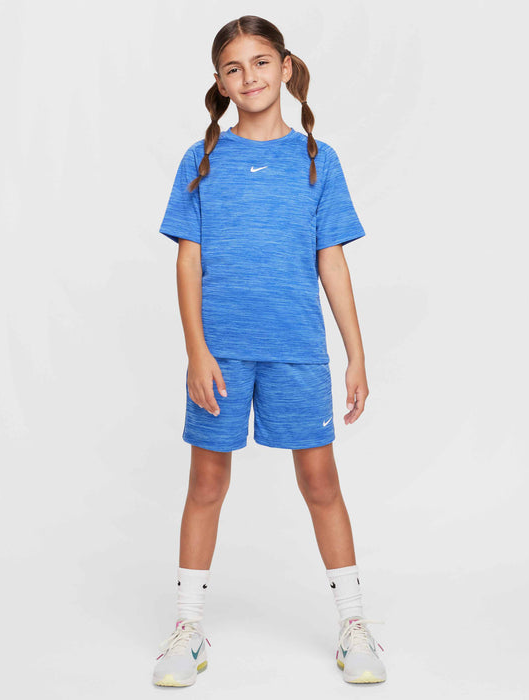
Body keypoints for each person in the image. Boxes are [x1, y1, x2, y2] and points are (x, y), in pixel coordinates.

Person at [152, 15, 387, 687]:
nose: (248, 76)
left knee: (321, 483)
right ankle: (187, 630)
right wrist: (197, 351)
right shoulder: (201, 160)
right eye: (233, 67)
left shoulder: (318, 159)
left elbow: (331, 260)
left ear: (285, 67)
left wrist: (355, 354)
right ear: (219, 82)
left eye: (260, 62)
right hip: (222, 354)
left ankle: (353, 625)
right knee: (206, 484)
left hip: (297, 350)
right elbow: (188, 261)